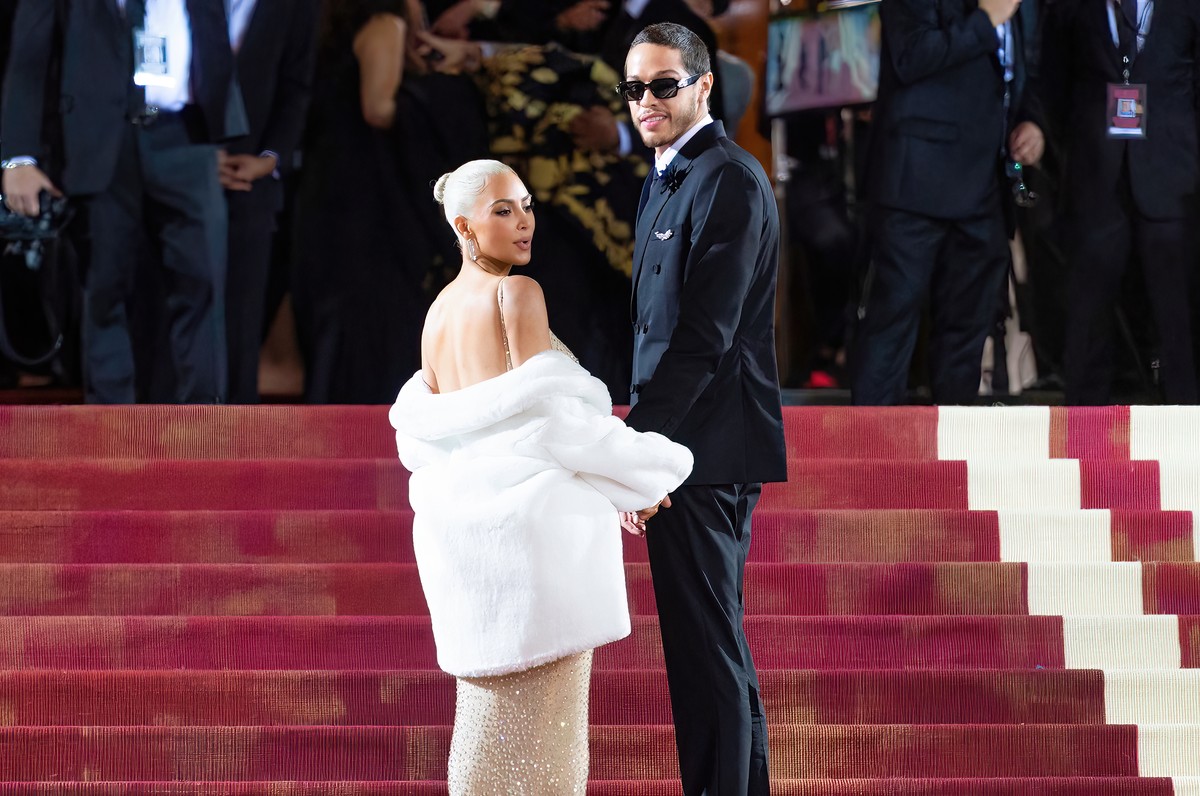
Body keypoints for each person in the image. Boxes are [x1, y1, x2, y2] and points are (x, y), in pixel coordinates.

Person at [389, 158, 693, 795]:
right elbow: (554, 425)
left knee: (486, 726)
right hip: (536, 546)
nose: (524, 222)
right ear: (464, 226)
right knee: (548, 747)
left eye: (526, 206)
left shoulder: (436, 314)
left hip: (465, 546)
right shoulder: (516, 295)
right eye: (504, 210)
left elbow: (454, 433)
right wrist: (649, 475)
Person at [620, 22, 786, 796]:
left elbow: (703, 337)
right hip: (688, 447)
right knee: (702, 649)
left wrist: (638, 451)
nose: (645, 101)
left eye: (663, 85)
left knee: (710, 649)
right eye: (634, 88)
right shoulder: (671, 174)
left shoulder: (727, 178)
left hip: (705, 452)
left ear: (704, 84)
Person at [2, 0, 238, 403]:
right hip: (98, 142)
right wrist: (19, 157)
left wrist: (237, 131)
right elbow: (28, 53)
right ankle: (113, 440)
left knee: (203, 285)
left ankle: (205, 432)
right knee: (104, 291)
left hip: (184, 136)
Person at [851, 0, 1044, 405]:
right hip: (916, 182)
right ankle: (868, 455)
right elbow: (911, 56)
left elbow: (1026, 67)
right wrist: (985, 20)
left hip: (987, 184)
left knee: (969, 328)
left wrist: (1032, 122)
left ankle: (951, 453)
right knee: (892, 320)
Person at [1041, 0, 1200, 404]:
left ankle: (1187, 434)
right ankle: (1082, 442)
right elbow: (1053, 87)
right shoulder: (1071, 8)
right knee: (1088, 316)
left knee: (1178, 321)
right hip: (1096, 180)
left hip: (1171, 181)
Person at [220, 0, 318, 403]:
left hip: (255, 178)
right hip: (174, 169)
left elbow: (297, 85)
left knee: (241, 317)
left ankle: (232, 436)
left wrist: (269, 158)